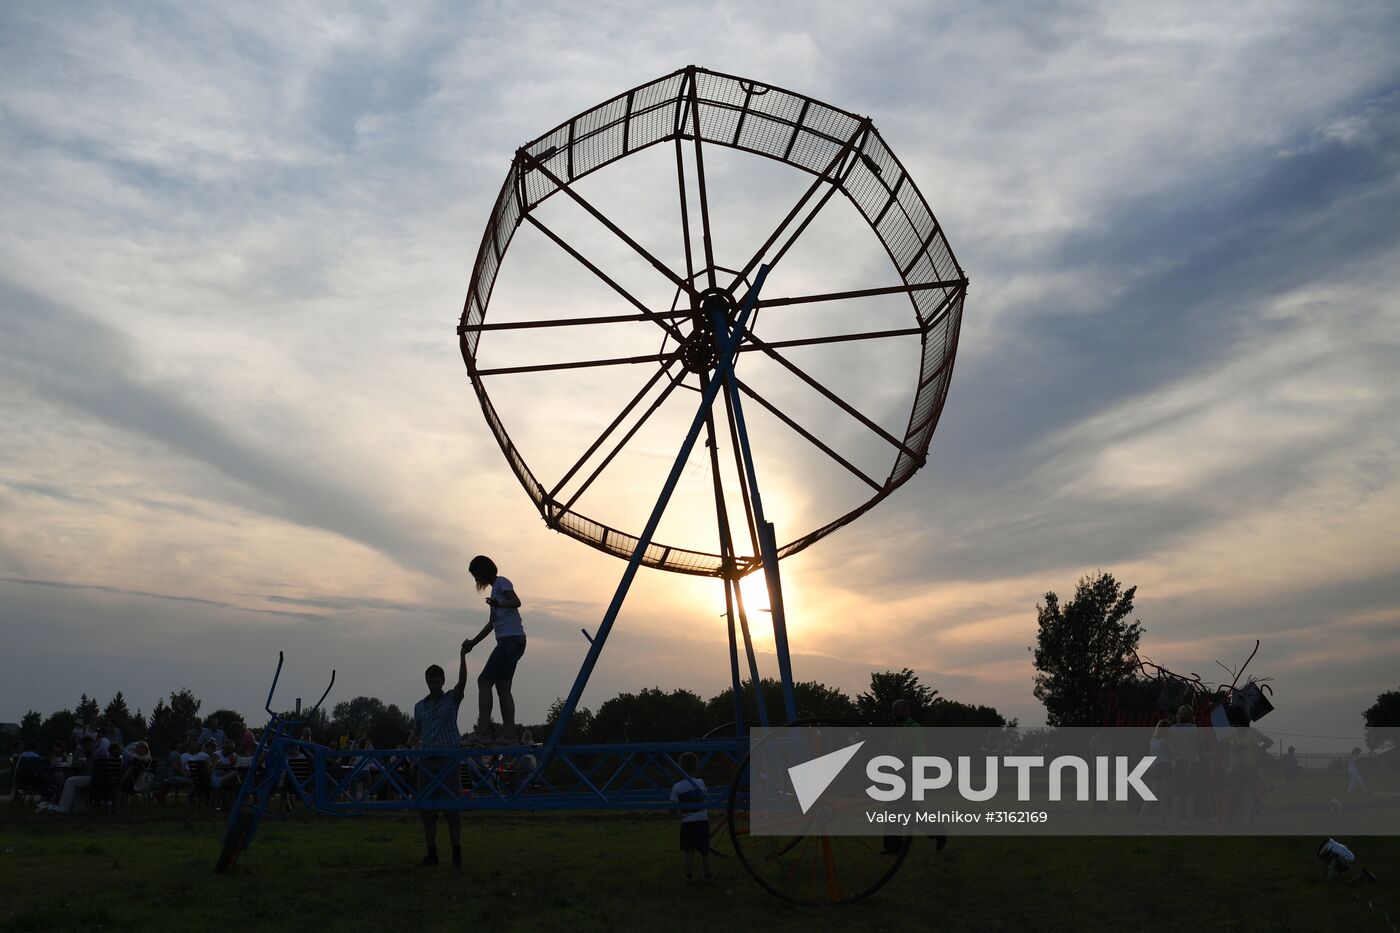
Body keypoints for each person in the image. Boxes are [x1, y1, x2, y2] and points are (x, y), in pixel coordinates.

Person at [406, 640, 469, 868]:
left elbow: (462, 682)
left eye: (437, 679)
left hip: (449, 760)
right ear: (427, 681)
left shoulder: (452, 698)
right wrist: (407, 747)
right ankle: (432, 855)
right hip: (426, 762)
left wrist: (463, 656)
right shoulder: (419, 706)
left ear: (443, 681)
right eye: (430, 680)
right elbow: (417, 731)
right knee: (427, 811)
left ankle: (457, 855)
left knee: (453, 810)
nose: (434, 683)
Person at [464, 555, 526, 744]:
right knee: (503, 687)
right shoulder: (495, 593)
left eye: (476, 574)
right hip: (515, 641)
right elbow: (492, 624)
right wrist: (473, 642)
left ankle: (483, 732)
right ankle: (509, 735)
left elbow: (516, 601)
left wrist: (499, 603)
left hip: (509, 641)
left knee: (484, 681)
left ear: (483, 571)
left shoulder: (501, 582)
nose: (475, 580)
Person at [670, 752, 712, 882]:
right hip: (702, 820)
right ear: (696, 767)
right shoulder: (701, 783)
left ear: (680, 767)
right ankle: (708, 876)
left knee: (688, 851)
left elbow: (673, 808)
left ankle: (689, 876)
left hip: (687, 822)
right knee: (705, 851)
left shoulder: (677, 787)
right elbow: (705, 799)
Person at [1167, 705, 1197, 820]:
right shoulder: (1194, 729)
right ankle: (1189, 820)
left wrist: (1179, 753)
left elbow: (1170, 747)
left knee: (1177, 792)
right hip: (1190, 762)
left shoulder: (1172, 729)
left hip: (1177, 763)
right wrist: (1190, 764)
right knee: (1190, 793)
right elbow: (1193, 749)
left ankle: (1175, 818)